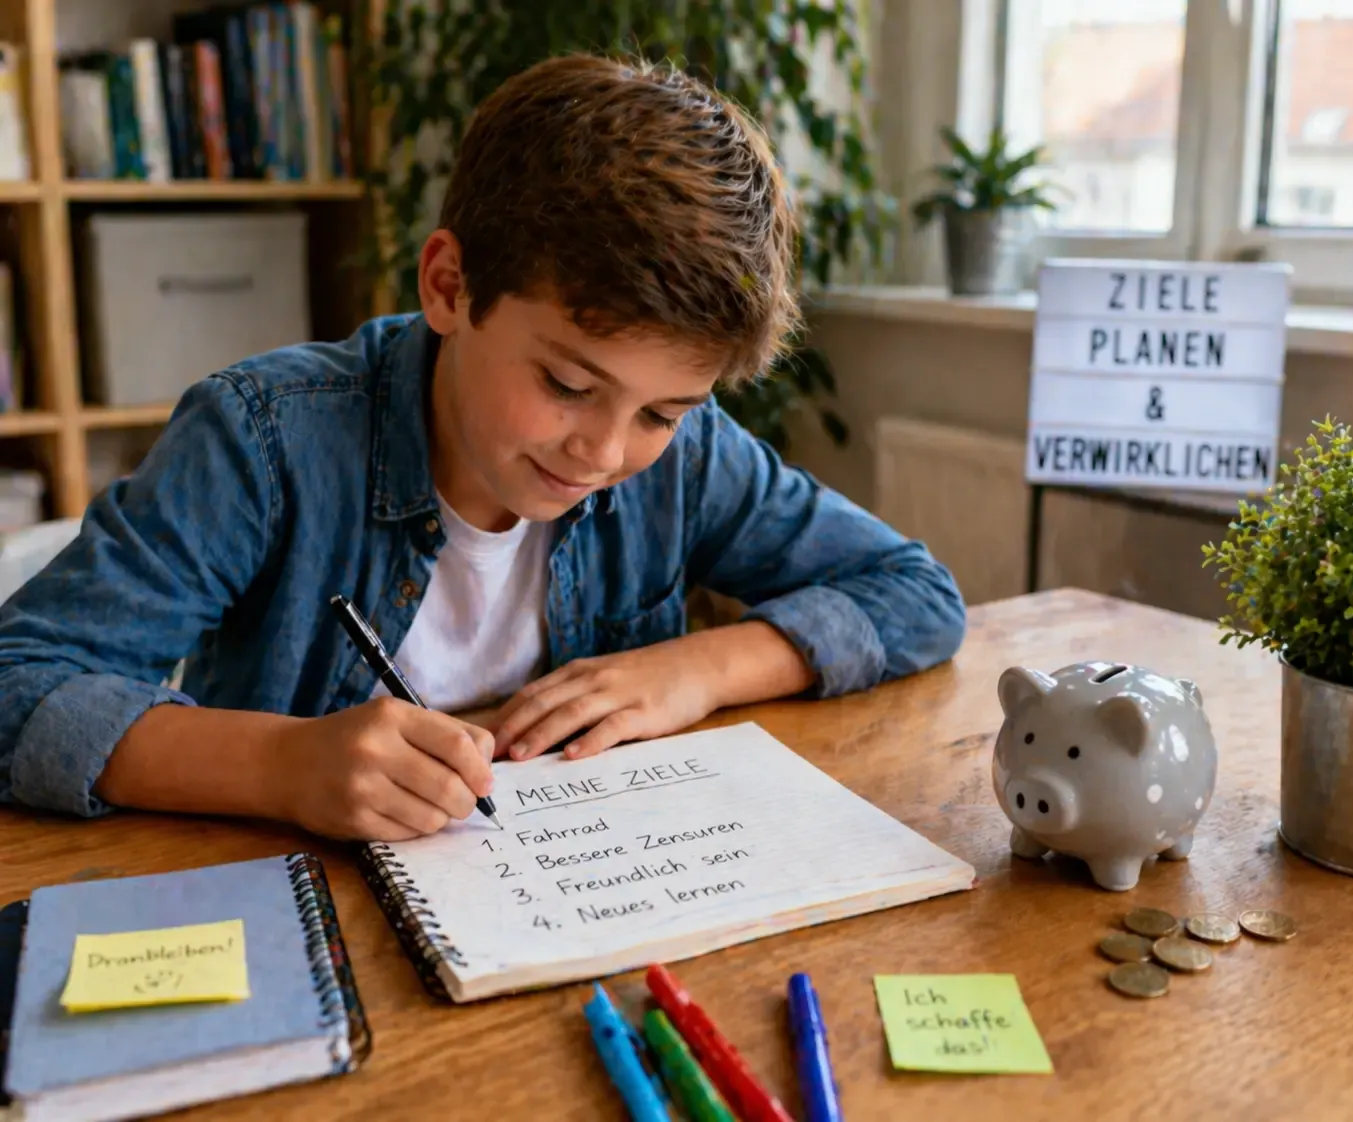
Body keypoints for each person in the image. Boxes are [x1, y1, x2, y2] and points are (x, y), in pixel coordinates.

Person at [0, 54, 966, 844]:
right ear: (449, 286)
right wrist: (282, 765)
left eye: (662, 412)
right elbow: (18, 683)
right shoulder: (261, 440)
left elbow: (915, 593)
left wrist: (699, 669)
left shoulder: (687, 455)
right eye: (568, 386)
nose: (604, 451)